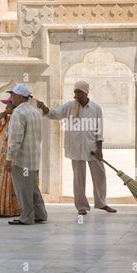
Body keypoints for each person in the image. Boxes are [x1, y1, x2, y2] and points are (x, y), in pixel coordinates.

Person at [37, 81, 117, 215]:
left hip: (92, 149)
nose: (76, 95)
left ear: (86, 93)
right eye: (75, 92)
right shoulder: (69, 107)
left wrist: (100, 149)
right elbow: (55, 114)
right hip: (75, 148)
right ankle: (81, 206)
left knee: (100, 176)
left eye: (79, 92)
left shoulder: (95, 108)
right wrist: (44, 108)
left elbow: (99, 130)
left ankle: (101, 203)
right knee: (78, 178)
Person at [4, 84, 47, 225]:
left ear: (21, 97)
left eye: (13, 95)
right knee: (32, 188)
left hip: (21, 160)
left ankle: (27, 217)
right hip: (33, 159)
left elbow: (15, 139)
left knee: (23, 189)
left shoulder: (18, 113)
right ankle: (40, 214)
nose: (11, 98)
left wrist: (9, 159)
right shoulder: (35, 111)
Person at [0, 99, 21, 217]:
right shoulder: (6, 119)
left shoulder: (17, 120)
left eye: (7, 106)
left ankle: (11, 208)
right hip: (1, 156)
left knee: (10, 179)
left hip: (10, 156)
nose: (5, 109)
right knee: (1, 179)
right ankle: (1, 207)